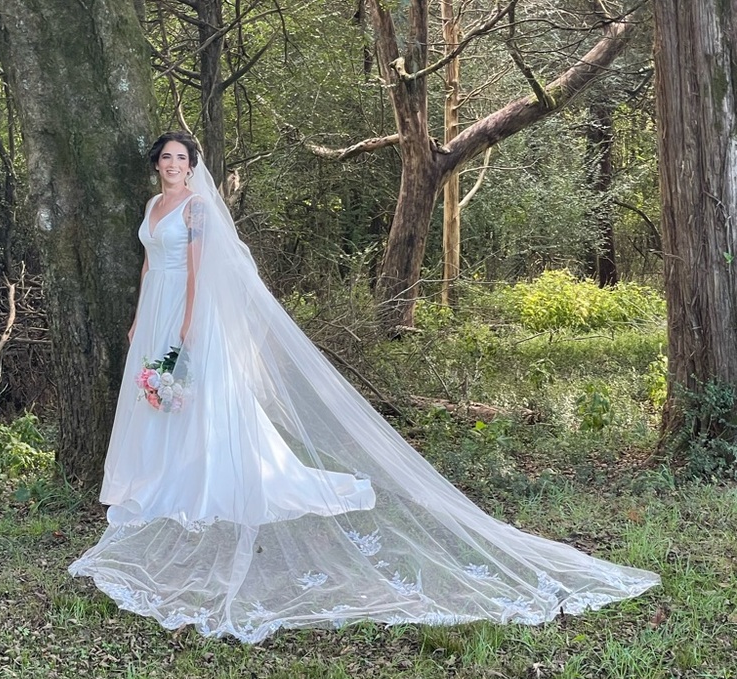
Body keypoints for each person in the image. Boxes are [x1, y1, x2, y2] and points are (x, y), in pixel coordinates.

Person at [69, 131, 659, 643]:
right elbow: (150, 266)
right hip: (153, 310)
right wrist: (140, 319)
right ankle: (159, 482)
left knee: (195, 402)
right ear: (157, 166)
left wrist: (184, 329)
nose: (172, 165)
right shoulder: (153, 207)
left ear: (193, 165)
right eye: (165, 159)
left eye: (180, 158)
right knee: (158, 401)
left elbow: (197, 274)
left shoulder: (196, 209)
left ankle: (197, 481)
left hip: (186, 313)